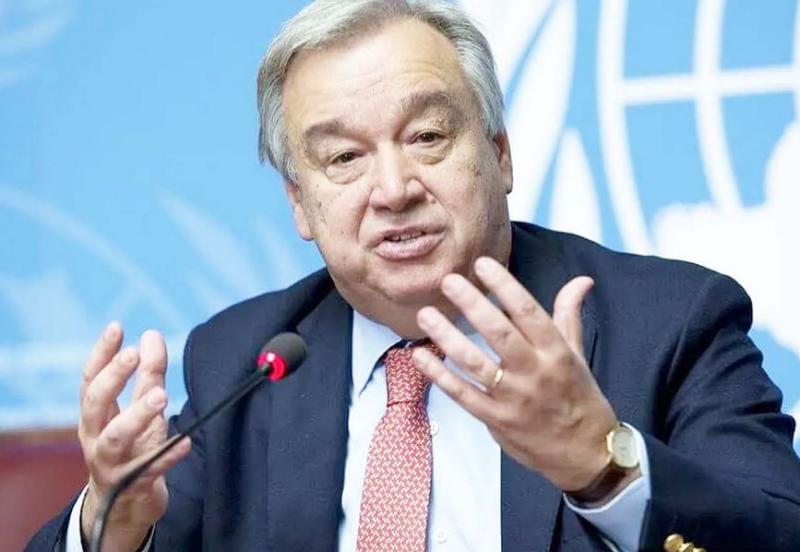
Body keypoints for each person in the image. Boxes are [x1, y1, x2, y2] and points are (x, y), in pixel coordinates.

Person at [28, 1, 800, 551]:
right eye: (343, 158)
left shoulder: (669, 322)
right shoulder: (246, 359)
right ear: (300, 204)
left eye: (427, 136)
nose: (393, 189)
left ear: (499, 155)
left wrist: (603, 467)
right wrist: (112, 524)